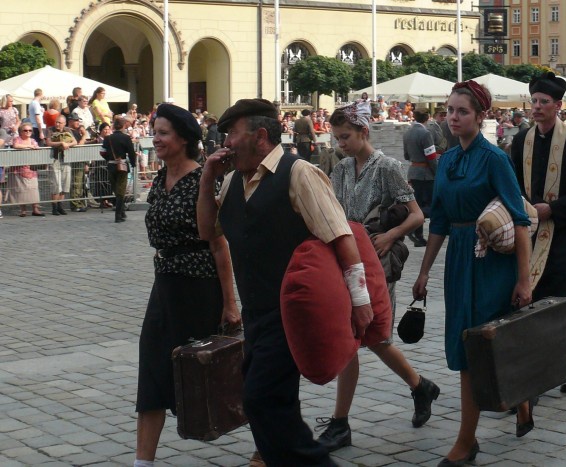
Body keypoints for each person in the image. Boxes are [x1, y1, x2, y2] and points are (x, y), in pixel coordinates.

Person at [198, 98, 373, 466]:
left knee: (261, 398)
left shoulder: (299, 173)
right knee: (273, 402)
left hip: (292, 313)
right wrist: (206, 179)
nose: (226, 142)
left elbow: (342, 237)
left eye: (232, 134)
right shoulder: (231, 182)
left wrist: (361, 302)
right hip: (257, 314)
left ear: (260, 136)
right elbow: (206, 230)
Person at [412, 80, 533, 466]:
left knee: (479, 346)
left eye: (462, 111)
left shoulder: (495, 158)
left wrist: (524, 278)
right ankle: (522, 400)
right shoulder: (445, 162)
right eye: (449, 110)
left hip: (491, 263)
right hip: (459, 263)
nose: (453, 117)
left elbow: (520, 221)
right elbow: (440, 222)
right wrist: (425, 271)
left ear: (481, 117)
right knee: (467, 345)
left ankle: (466, 442)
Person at [316, 100, 439, 452]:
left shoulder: (387, 167)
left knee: (373, 336)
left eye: (346, 137)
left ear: (363, 132)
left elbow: (417, 215)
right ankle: (348, 419)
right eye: (337, 138)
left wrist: (390, 235)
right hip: (347, 261)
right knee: (356, 337)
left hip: (377, 262)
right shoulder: (340, 169)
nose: (341, 144)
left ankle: (417, 388)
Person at [134, 104, 240, 467]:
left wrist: (230, 303)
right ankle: (142, 462)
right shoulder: (160, 180)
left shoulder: (201, 179)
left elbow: (218, 243)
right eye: (155, 131)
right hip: (164, 288)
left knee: (218, 373)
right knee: (151, 372)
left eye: (163, 132)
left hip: (199, 288)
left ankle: (267, 445)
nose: (156, 139)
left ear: (183, 137)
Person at [511, 71, 566, 394]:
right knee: (535, 297)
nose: (536, 107)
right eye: (533, 100)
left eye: (543, 102)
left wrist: (554, 209)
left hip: (565, 233)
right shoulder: (521, 141)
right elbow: (516, 186)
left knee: (563, 296)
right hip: (531, 231)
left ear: (558, 105)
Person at [403, 110, 437, 247]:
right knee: (429, 205)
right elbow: (431, 157)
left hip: (413, 172)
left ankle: (418, 235)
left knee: (417, 203)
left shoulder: (407, 133)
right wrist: (437, 172)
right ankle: (412, 225)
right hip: (426, 174)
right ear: (427, 117)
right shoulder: (426, 133)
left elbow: (406, 155)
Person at [101, 118, 137, 223]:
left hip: (111, 166)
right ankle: (118, 214)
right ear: (123, 126)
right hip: (122, 166)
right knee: (121, 190)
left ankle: (121, 212)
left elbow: (102, 152)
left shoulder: (108, 138)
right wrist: (133, 163)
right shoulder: (126, 138)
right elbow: (131, 152)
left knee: (116, 189)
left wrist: (109, 158)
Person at [9, 123, 45, 217]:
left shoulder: (33, 140)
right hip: (20, 169)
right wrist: (28, 147)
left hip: (31, 169)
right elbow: (16, 145)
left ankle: (35, 209)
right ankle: (23, 210)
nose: (28, 132)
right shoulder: (17, 139)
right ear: (21, 132)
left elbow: (37, 148)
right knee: (21, 190)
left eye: (30, 130)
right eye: (25, 130)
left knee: (33, 189)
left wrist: (33, 148)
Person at [46, 115, 77, 215]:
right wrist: (61, 143)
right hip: (54, 159)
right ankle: (54, 207)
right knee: (56, 184)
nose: (57, 124)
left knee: (65, 183)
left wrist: (67, 144)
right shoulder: (50, 130)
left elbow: (74, 141)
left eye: (60, 122)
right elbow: (48, 142)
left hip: (66, 159)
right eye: (56, 122)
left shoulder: (67, 130)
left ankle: (60, 205)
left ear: (64, 123)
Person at [67, 115, 89, 212]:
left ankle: (79, 201)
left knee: (80, 183)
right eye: (75, 121)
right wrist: (84, 135)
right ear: (70, 121)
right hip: (74, 159)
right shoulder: (68, 130)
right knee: (76, 182)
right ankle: (75, 204)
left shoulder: (77, 130)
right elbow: (78, 144)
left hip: (80, 158)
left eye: (78, 121)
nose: (78, 123)